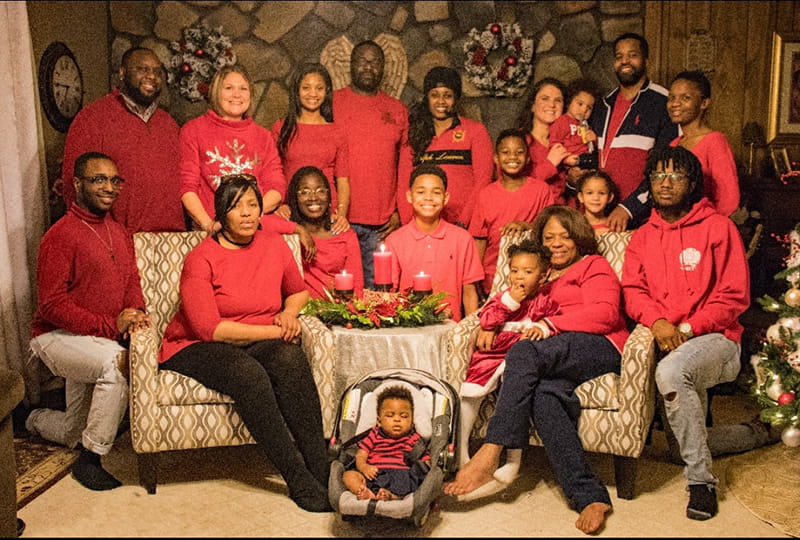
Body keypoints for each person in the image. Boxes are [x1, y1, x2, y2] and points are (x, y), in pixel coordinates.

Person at [445, 205, 629, 535]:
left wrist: (549, 324)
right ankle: (589, 495)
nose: (557, 243)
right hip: (557, 355)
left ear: (579, 238)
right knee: (545, 397)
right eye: (549, 237)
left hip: (598, 345)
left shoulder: (593, 265)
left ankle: (490, 452)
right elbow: (508, 303)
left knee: (524, 351)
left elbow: (605, 315)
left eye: (565, 236)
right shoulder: (538, 275)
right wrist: (491, 323)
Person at [621, 146, 777, 521]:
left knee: (671, 373)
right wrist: (658, 323)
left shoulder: (718, 228)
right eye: (658, 176)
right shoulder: (642, 236)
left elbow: (734, 296)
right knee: (679, 446)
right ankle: (759, 433)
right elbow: (632, 291)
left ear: (692, 184)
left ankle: (702, 483)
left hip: (719, 340)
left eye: (676, 176)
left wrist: (688, 328)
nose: (666, 183)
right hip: (668, 337)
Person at [159, 174, 331, 512]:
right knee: (247, 373)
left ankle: (322, 468)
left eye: (253, 204)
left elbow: (298, 292)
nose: (248, 213)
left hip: (256, 333)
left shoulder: (273, 244)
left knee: (290, 359)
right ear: (222, 214)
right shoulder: (201, 258)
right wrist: (276, 330)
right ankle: (297, 478)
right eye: (238, 207)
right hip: (194, 344)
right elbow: (210, 329)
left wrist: (289, 315)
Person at [27, 152, 152, 491]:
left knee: (71, 432)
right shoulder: (60, 235)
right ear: (78, 184)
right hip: (56, 337)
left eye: (114, 180)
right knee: (117, 366)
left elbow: (131, 283)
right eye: (99, 179)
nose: (109, 187)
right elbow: (51, 305)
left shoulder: (118, 231)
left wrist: (137, 313)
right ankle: (91, 459)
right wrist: (113, 325)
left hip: (94, 337)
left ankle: (33, 419)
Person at [61, 47, 184, 234]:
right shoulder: (92, 119)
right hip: (118, 239)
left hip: (172, 242)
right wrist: (105, 238)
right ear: (122, 73)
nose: (152, 76)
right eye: (142, 69)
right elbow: (74, 186)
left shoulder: (169, 124)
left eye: (158, 72)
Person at [456, 240, 558, 467]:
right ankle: (461, 450)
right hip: (491, 357)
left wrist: (541, 328)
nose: (519, 277)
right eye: (514, 271)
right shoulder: (503, 297)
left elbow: (554, 324)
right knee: (471, 393)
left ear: (542, 276)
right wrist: (510, 302)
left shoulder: (544, 303)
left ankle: (513, 458)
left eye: (528, 272)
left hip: (519, 359)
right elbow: (486, 318)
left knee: (515, 394)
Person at [333, 40, 408, 289]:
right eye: (362, 61)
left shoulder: (396, 109)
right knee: (343, 298)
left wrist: (401, 211)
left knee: (379, 299)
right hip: (340, 219)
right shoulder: (332, 103)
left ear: (383, 68)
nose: (368, 67)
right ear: (351, 65)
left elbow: (404, 165)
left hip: (383, 223)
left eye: (374, 62)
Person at [620, 70, 740, 224]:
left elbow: (729, 199)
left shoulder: (714, 141)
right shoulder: (674, 144)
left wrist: (712, 231)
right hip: (675, 229)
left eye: (686, 98)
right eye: (672, 98)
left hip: (704, 229)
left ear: (704, 103)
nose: (675, 104)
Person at [179, 65, 284, 237]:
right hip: (211, 230)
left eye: (243, 88)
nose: (237, 94)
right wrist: (208, 224)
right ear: (215, 92)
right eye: (229, 88)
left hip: (256, 230)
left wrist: (250, 217)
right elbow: (187, 186)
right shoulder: (193, 130)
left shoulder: (263, 136)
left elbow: (276, 186)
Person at [590, 33, 678, 231]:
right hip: (601, 215)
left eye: (632, 55)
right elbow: (593, 155)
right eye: (619, 57)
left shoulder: (663, 102)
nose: (625, 61)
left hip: (644, 219)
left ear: (647, 60)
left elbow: (666, 169)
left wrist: (629, 208)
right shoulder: (603, 105)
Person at [397, 66, 494, 228]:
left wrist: (463, 222)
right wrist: (409, 224)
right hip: (422, 226)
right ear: (427, 98)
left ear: (456, 98)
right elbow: (403, 184)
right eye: (434, 95)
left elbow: (483, 182)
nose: (441, 101)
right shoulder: (413, 134)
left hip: (466, 226)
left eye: (447, 96)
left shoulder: (475, 131)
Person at [385, 163, 483, 322]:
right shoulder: (395, 241)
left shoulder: (462, 239)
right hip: (409, 328)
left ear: (446, 198)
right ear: (409, 196)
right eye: (421, 192)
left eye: (436, 192)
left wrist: (469, 330)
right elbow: (389, 293)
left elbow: (469, 292)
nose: (428, 198)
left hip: (450, 328)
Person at [468, 128, 554, 296]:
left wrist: (526, 225)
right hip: (492, 277)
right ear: (496, 158)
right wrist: (476, 282)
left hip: (531, 277)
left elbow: (550, 228)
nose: (513, 157)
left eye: (519, 152)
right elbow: (479, 240)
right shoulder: (486, 194)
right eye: (506, 152)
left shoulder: (541, 190)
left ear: (528, 158)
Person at [272, 63, 350, 233]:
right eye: (306, 88)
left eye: (319, 88)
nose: (313, 94)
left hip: (326, 212)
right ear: (297, 91)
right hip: (290, 211)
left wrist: (341, 214)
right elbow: (272, 173)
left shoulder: (337, 131)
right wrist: (279, 205)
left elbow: (343, 181)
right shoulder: (281, 128)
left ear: (326, 91)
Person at [286, 166, 364, 299]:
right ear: (295, 198)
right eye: (305, 192)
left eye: (320, 191)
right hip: (302, 311)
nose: (313, 197)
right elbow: (262, 222)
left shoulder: (345, 234)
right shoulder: (289, 234)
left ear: (328, 196)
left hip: (340, 309)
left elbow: (357, 286)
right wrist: (299, 230)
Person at [342, 385, 430, 501]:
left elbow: (425, 461)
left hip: (400, 475)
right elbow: (361, 455)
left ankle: (391, 496)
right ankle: (364, 491)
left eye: (404, 416)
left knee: (415, 480)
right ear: (379, 421)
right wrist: (364, 467)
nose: (397, 419)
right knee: (348, 476)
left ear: (412, 422)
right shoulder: (374, 434)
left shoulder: (414, 438)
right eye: (390, 415)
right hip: (373, 473)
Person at [514, 77, 573, 205]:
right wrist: (550, 164)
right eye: (544, 98)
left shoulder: (568, 142)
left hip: (561, 214)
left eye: (558, 100)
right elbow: (515, 186)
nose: (552, 105)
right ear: (532, 106)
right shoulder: (520, 141)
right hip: (529, 214)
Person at [549, 77, 600, 171]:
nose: (584, 110)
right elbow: (553, 144)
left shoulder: (586, 125)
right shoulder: (562, 121)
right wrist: (565, 159)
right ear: (569, 102)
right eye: (580, 104)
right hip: (570, 163)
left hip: (588, 161)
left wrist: (595, 139)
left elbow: (593, 147)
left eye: (589, 108)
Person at [575, 169, 619, 235]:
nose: (596, 198)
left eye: (601, 193)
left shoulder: (614, 225)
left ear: (610, 197)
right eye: (590, 193)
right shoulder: (574, 224)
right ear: (581, 197)